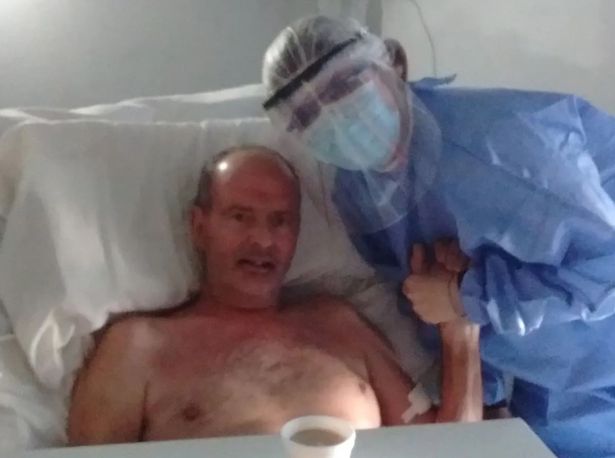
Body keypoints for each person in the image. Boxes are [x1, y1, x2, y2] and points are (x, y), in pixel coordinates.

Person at [261, 15, 615, 458]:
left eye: (343, 87)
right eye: (306, 116)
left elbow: (605, 265)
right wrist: (487, 395)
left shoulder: (499, 144)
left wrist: (465, 296)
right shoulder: (356, 193)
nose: (331, 116)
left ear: (394, 63)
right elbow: (422, 298)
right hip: (545, 387)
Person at [67, 145, 482, 445]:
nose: (263, 241)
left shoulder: (340, 326)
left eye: (280, 221)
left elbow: (449, 451)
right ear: (199, 227)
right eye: (240, 217)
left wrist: (459, 326)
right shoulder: (139, 347)